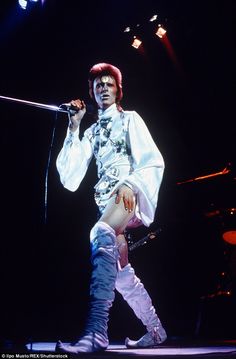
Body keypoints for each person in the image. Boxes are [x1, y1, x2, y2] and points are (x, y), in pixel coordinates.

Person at [55, 63, 167, 353]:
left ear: (118, 90)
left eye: (109, 83)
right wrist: (74, 126)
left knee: (100, 231)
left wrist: (131, 184)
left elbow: (153, 160)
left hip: (128, 191)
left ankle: (96, 332)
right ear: (91, 92)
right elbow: (70, 178)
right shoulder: (91, 132)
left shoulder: (130, 119)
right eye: (98, 84)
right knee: (120, 273)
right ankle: (156, 331)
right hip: (106, 201)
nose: (103, 88)